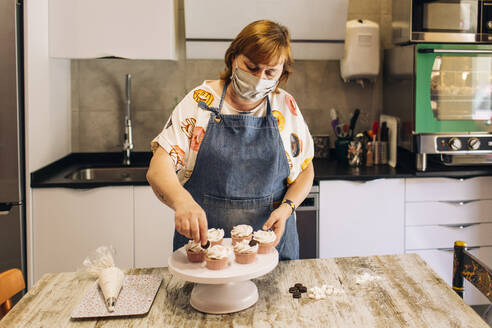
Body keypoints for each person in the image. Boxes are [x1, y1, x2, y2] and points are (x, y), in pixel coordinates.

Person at [147, 20, 314, 260]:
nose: (259, 77)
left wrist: (287, 208)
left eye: (270, 72)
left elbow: (306, 170)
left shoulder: (285, 107)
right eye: (252, 66)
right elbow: (158, 168)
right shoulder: (201, 102)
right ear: (234, 57)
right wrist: (181, 201)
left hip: (271, 251)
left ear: (282, 73)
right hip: (204, 253)